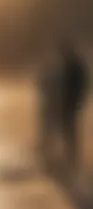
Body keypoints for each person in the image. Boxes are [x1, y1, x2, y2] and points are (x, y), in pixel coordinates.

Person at [37, 40, 89, 171]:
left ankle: (68, 157)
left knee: (66, 130)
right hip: (63, 104)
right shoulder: (65, 67)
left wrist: (77, 100)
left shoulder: (72, 67)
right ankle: (59, 155)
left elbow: (81, 86)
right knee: (62, 129)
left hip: (68, 104)